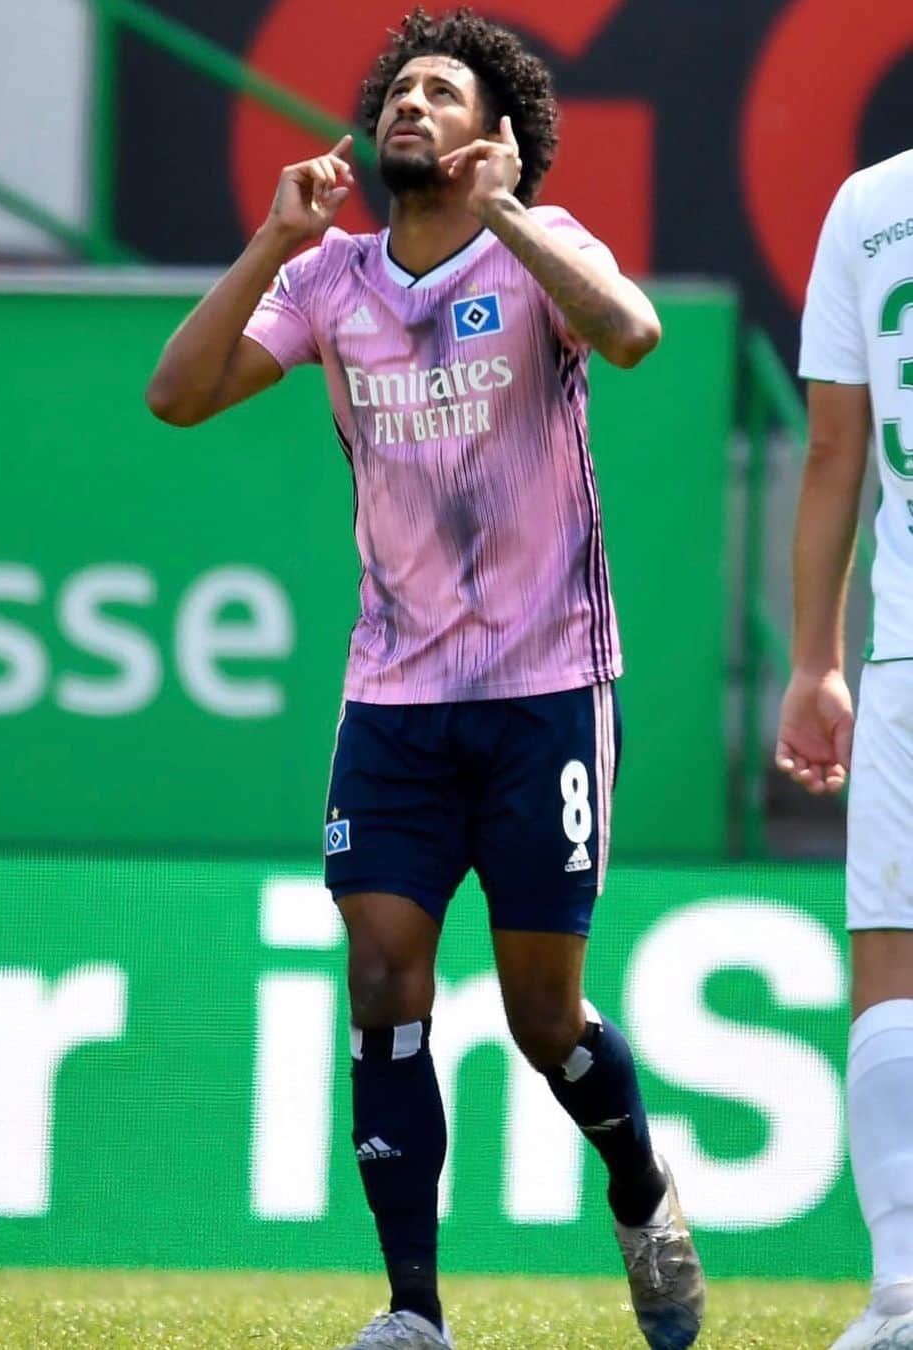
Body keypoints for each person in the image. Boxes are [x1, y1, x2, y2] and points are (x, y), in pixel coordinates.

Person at [147, 9, 704, 1347]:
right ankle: (413, 1311)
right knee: (385, 980)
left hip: (545, 690)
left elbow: (632, 336)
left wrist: (511, 218)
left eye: (442, 92)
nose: (410, 105)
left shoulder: (544, 252)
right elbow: (176, 393)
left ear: (495, 137)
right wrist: (272, 243)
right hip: (393, 700)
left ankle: (640, 1189)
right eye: (399, 90)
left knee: (541, 1015)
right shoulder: (330, 280)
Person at [775, 146, 913, 1350]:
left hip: (911, 660)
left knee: (894, 963)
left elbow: (835, 456)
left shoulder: (870, 205)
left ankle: (904, 1294)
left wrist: (815, 656)